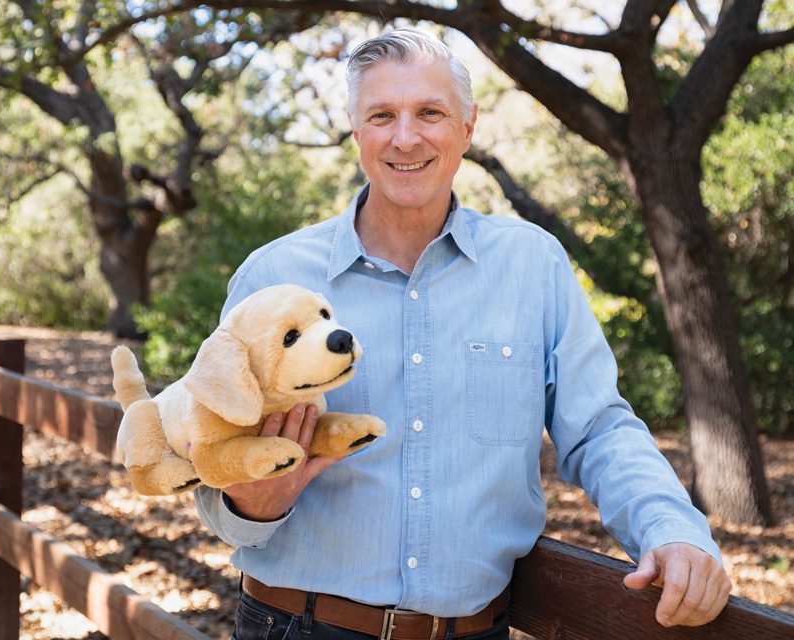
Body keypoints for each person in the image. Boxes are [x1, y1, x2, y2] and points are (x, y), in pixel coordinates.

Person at [196, 28, 731, 640]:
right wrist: (252, 503)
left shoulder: (534, 265)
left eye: (430, 112)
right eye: (381, 115)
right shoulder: (273, 278)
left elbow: (600, 429)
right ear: (356, 130)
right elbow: (212, 468)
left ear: (468, 128)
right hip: (296, 625)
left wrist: (671, 528)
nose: (405, 137)